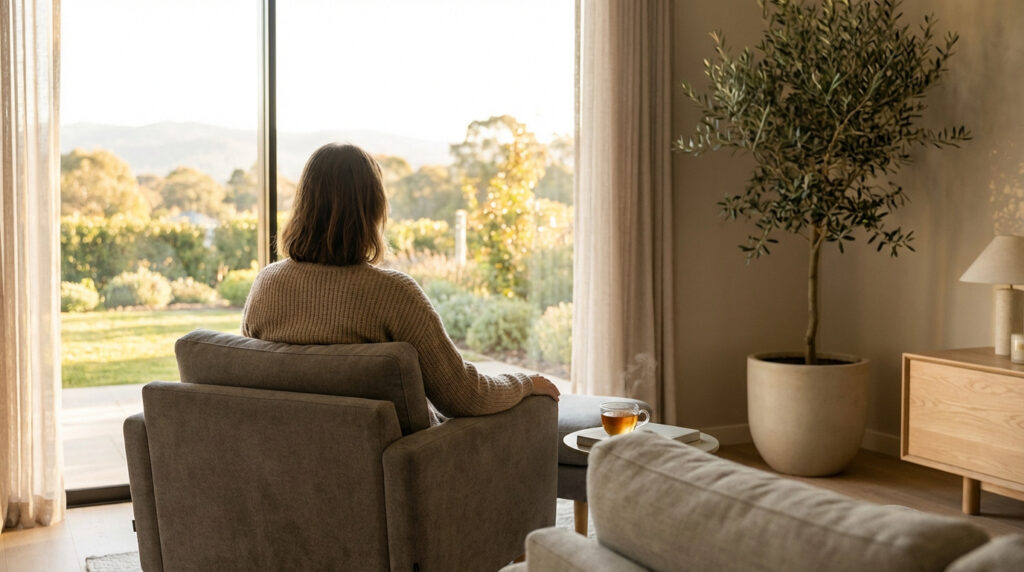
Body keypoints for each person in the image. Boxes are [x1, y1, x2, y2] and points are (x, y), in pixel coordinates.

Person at [241, 143, 560, 421]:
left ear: (303, 206)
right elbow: (465, 396)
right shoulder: (392, 293)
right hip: (398, 464)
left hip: (290, 463)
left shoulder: (267, 285)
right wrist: (525, 383)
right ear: (373, 210)